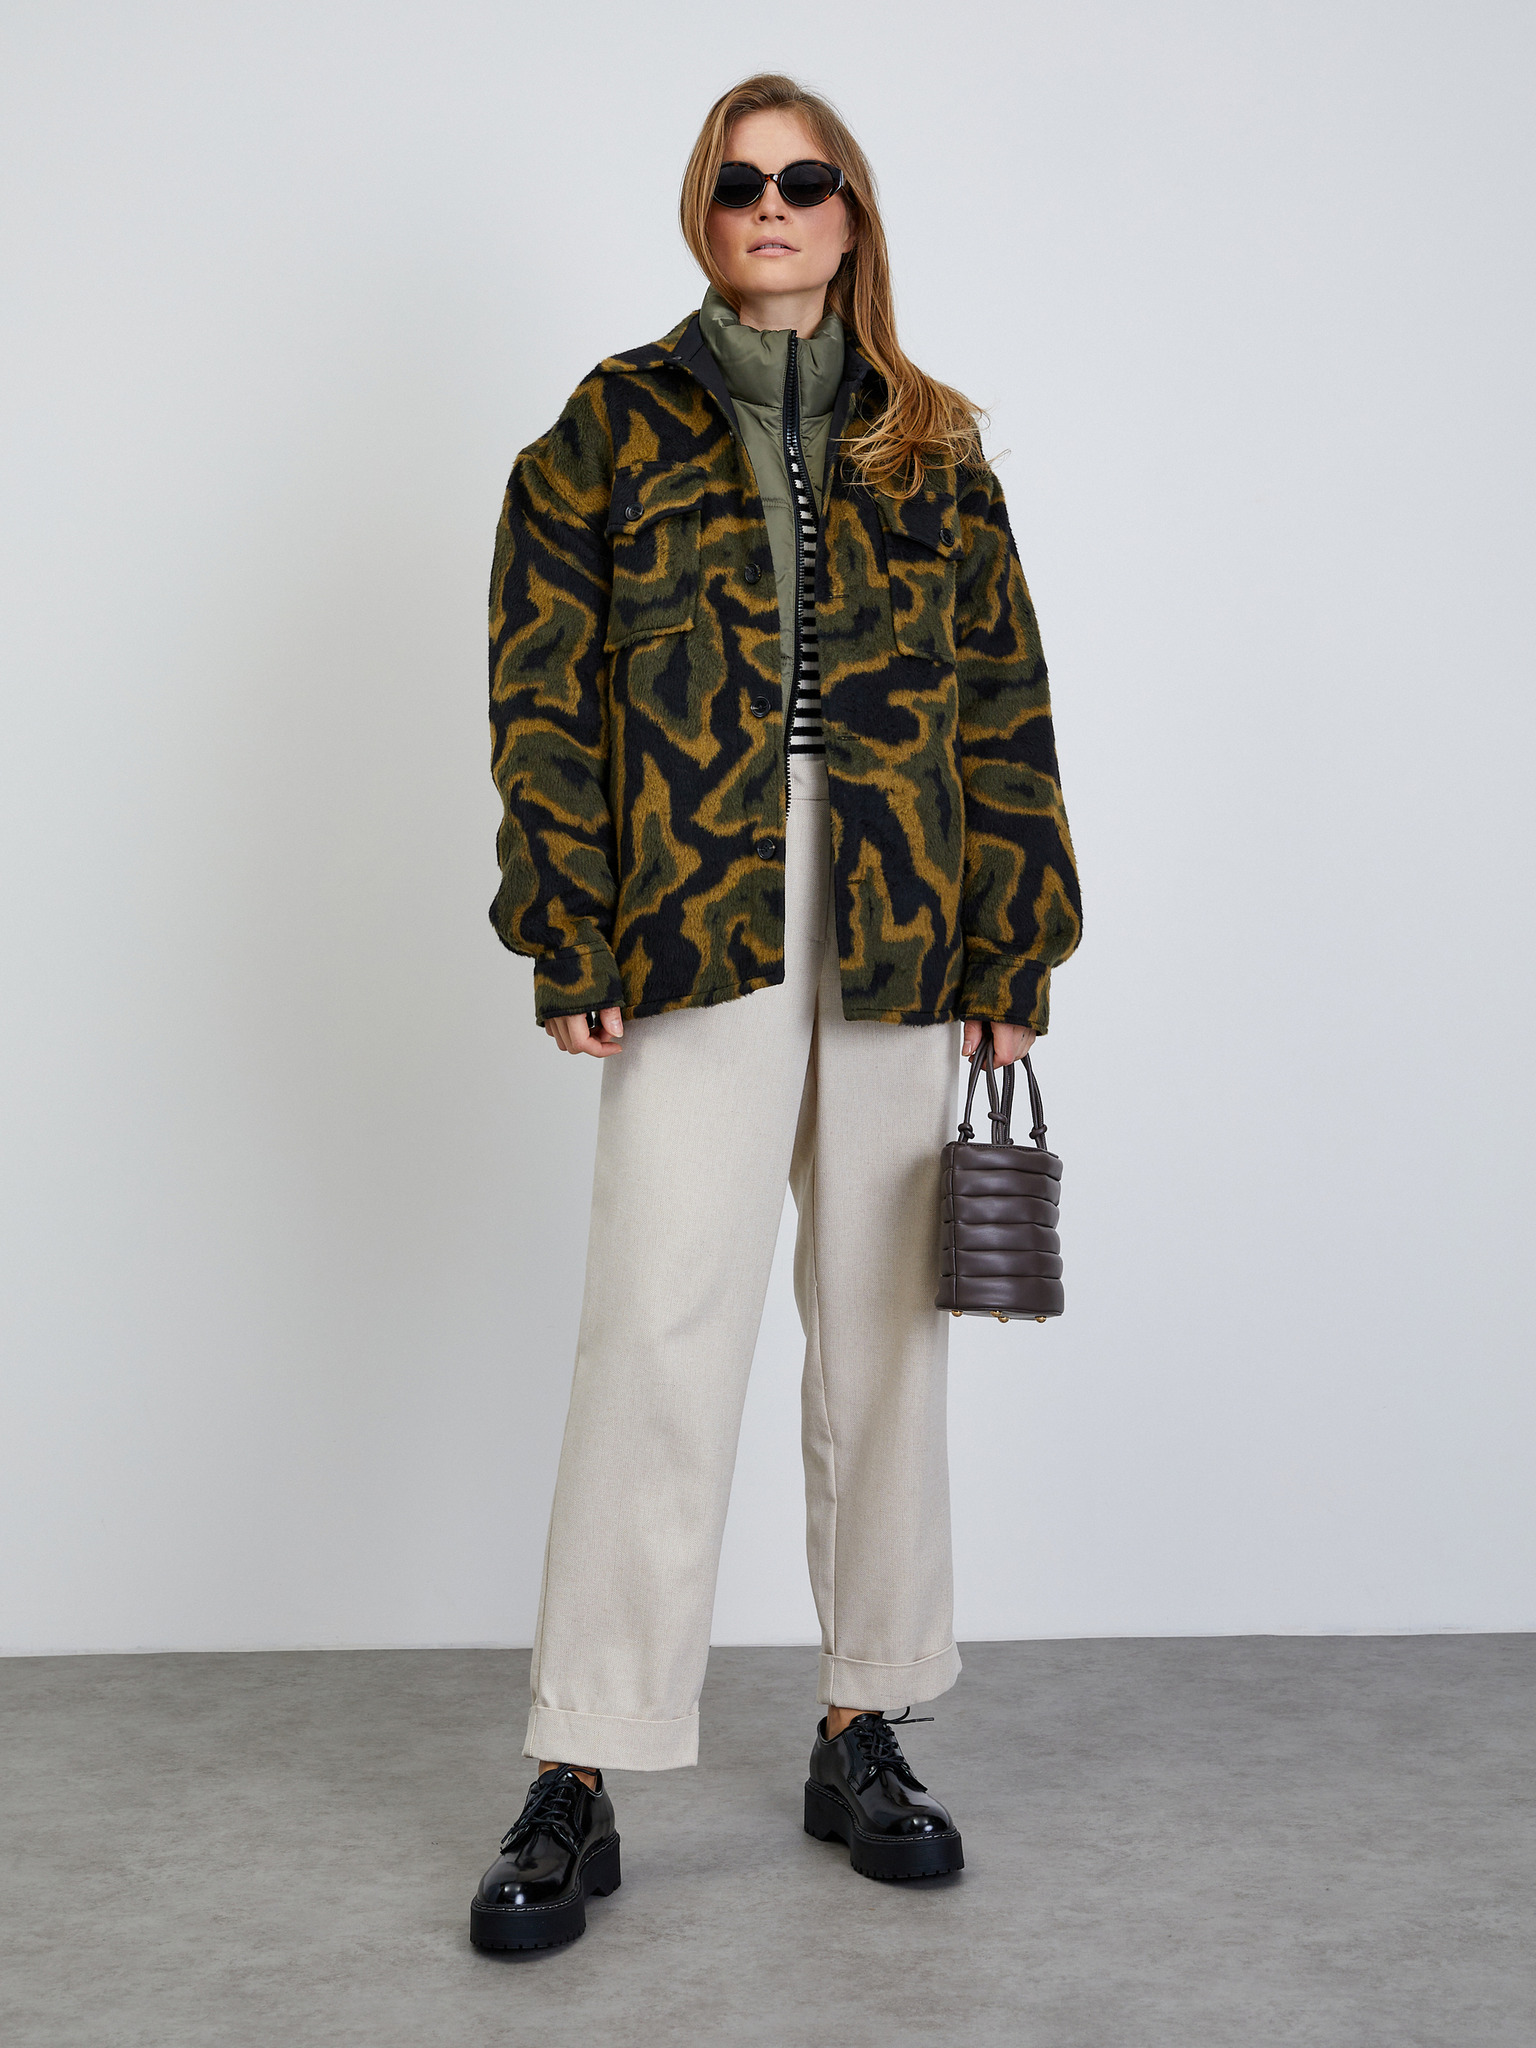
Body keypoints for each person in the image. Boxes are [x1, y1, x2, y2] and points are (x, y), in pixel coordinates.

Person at [471, 72, 1082, 1951]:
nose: (774, 204)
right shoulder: (609, 425)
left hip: (903, 906)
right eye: (742, 181)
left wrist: (1013, 945)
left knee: (886, 1333)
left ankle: (860, 1722)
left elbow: (1006, 699)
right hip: (693, 903)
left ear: (850, 212)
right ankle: (581, 1759)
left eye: (807, 179)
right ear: (703, 207)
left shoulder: (934, 444)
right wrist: (569, 928)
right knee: (657, 1329)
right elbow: (540, 690)